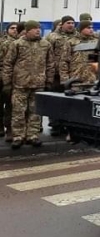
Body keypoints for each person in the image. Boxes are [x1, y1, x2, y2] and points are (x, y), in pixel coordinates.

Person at [2, 20, 55, 149]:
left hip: (38, 84)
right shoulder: (17, 44)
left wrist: (49, 81)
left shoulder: (45, 44)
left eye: (39, 28)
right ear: (27, 30)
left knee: (35, 112)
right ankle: (18, 136)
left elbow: (50, 64)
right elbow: (8, 64)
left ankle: (33, 135)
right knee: (18, 112)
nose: (38, 30)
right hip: (20, 84)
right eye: (35, 28)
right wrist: (7, 82)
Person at [60, 20, 98, 88]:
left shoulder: (95, 42)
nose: (91, 30)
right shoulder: (71, 42)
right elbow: (64, 61)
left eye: (92, 28)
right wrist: (65, 79)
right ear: (81, 29)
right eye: (88, 28)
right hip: (75, 79)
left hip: (92, 80)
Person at [0, 22, 20, 140]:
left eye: (16, 28)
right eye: (12, 28)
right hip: (1, 77)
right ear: (7, 30)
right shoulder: (2, 42)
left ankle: (9, 129)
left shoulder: (20, 43)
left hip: (14, 78)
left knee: (11, 105)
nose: (15, 30)